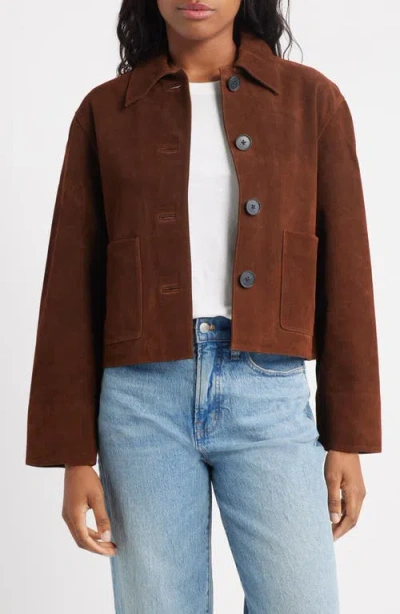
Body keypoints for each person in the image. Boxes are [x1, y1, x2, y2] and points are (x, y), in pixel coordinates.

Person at [25, 0, 382, 612]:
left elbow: (347, 273)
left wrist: (347, 437)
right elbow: (70, 286)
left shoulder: (311, 102)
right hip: (140, 403)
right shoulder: (106, 112)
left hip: (268, 391)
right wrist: (73, 456)